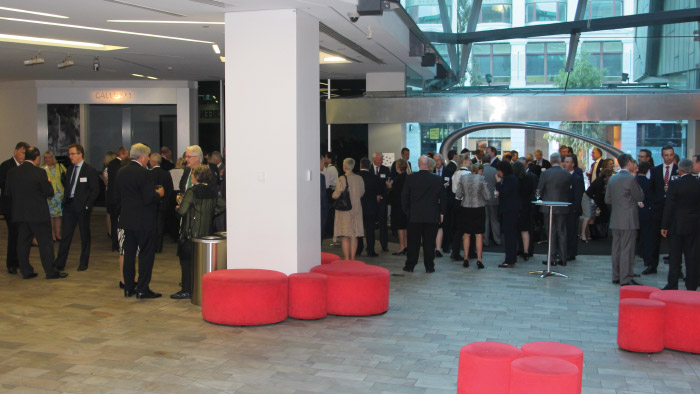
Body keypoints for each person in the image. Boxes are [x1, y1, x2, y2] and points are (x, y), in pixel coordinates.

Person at [5, 147, 67, 280]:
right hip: (38, 214)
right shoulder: (39, 172)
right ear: (37, 158)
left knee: (23, 243)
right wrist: (49, 184)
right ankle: (50, 271)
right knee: (45, 243)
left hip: (20, 213)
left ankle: (26, 271)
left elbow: (8, 193)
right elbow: (49, 192)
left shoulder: (12, 172)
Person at [115, 143, 165, 299]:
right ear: (143, 156)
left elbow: (118, 196)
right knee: (146, 255)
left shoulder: (121, 172)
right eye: (148, 156)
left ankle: (128, 287)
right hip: (144, 221)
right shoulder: (144, 173)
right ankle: (143, 288)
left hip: (127, 219)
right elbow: (148, 198)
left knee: (129, 254)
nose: (148, 159)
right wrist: (159, 194)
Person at [172, 165, 225, 299]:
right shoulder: (212, 191)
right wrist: (211, 212)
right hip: (206, 232)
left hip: (191, 232)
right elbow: (222, 205)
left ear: (196, 177)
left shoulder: (192, 191)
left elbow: (182, 211)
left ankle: (186, 289)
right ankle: (202, 288)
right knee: (201, 262)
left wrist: (178, 207)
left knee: (186, 262)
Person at [54, 144, 99, 272]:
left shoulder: (89, 170)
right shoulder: (69, 169)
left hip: (82, 207)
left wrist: (87, 205)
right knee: (66, 235)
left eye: (72, 154)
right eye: (69, 154)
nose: (70, 156)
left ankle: (84, 262)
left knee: (84, 235)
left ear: (80, 154)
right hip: (69, 205)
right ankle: (60, 263)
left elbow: (95, 190)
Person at [660, 158, 700, 290]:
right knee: (692, 256)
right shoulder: (698, 183)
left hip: (676, 225)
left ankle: (672, 284)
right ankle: (692, 285)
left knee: (675, 256)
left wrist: (664, 225)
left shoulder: (675, 184)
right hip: (694, 225)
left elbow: (669, 206)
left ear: (680, 170)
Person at [401, 156, 446, 273]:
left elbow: (404, 197)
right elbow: (443, 198)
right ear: (429, 165)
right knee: (430, 243)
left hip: (414, 216)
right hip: (432, 215)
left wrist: (407, 211)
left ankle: (410, 265)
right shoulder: (437, 179)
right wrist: (441, 212)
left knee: (413, 243)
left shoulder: (411, 178)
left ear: (418, 164)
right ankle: (429, 266)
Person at [606, 153, 644, 286]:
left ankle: (616, 275)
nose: (635, 164)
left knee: (616, 248)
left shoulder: (612, 179)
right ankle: (626, 278)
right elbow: (640, 196)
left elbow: (607, 199)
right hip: (628, 219)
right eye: (633, 161)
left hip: (615, 218)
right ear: (629, 163)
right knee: (627, 249)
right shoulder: (630, 179)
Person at [645, 145, 677, 275]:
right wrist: (654, 203)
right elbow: (650, 190)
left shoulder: (679, 170)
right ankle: (652, 266)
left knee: (675, 241)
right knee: (654, 239)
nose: (669, 157)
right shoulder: (655, 170)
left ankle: (676, 268)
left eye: (671, 155)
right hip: (657, 209)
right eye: (666, 155)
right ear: (662, 156)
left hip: (674, 211)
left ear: (673, 155)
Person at [0, 141, 29, 274]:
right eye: (23, 152)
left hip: (22, 206)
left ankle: (19, 260)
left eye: (26, 153)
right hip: (10, 206)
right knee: (13, 234)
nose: (24, 155)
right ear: (15, 151)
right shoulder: (6, 166)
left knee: (21, 235)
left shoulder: (26, 167)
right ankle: (11, 263)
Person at [537, 152, 570, 266]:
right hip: (562, 206)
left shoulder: (546, 174)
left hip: (548, 206)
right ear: (560, 161)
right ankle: (563, 258)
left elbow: (539, 189)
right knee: (562, 231)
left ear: (551, 161)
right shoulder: (567, 174)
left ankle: (551, 258)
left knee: (550, 232)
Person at [455, 163, 489, 268]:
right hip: (478, 207)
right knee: (478, 234)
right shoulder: (481, 179)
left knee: (466, 234)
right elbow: (487, 195)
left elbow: (458, 195)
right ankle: (479, 259)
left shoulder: (463, 178)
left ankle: (465, 258)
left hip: (465, 207)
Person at [332, 158, 365, 261]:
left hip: (344, 211)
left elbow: (337, 194)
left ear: (344, 167)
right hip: (356, 210)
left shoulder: (341, 178)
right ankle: (353, 258)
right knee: (354, 235)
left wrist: (332, 195)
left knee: (345, 236)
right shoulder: (359, 178)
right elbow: (362, 193)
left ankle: (346, 258)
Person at [495, 161, 521, 268]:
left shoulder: (509, 179)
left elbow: (504, 193)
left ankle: (509, 259)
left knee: (509, 236)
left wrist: (498, 183)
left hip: (509, 210)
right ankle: (511, 258)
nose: (498, 173)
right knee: (511, 235)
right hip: (512, 210)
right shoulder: (513, 178)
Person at [148, 153, 174, 253]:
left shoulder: (148, 173)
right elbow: (170, 189)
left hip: (152, 203)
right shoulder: (166, 173)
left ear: (153, 162)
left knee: (151, 225)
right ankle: (158, 247)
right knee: (160, 226)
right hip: (163, 203)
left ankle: (151, 246)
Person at [356, 158, 381, 257]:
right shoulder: (374, 177)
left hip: (359, 206)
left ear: (360, 165)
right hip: (371, 207)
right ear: (370, 166)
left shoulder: (356, 177)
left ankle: (358, 249)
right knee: (370, 230)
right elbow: (378, 193)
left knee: (359, 229)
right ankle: (370, 250)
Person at [450, 154, 472, 260]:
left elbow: (454, 189)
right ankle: (470, 252)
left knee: (458, 229)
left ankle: (455, 252)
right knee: (468, 229)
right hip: (466, 202)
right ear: (465, 161)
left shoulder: (456, 173)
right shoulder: (468, 174)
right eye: (469, 159)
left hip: (456, 202)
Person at [513, 160, 537, 260]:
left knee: (516, 230)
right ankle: (526, 251)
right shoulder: (530, 178)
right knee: (525, 230)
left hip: (516, 206)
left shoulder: (515, 179)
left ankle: (518, 249)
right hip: (527, 206)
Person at [106, 146, 128, 252]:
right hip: (118, 198)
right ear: (122, 154)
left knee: (114, 222)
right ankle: (120, 244)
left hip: (110, 197)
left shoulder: (111, 164)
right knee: (119, 222)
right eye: (127, 154)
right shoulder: (121, 165)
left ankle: (114, 245)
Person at [564, 155, 585, 261]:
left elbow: (578, 194)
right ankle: (564, 251)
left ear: (573, 164)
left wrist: (575, 208)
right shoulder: (563, 176)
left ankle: (571, 253)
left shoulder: (576, 178)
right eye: (564, 161)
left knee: (571, 231)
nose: (565, 164)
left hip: (572, 209)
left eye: (568, 162)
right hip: (563, 208)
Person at [42, 150, 67, 242]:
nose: (48, 159)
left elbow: (67, 177)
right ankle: (51, 234)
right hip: (50, 195)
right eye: (46, 158)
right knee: (51, 216)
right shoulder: (42, 168)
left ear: (53, 158)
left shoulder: (60, 166)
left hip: (60, 195)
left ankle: (58, 234)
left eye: (50, 157)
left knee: (59, 216)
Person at [370, 152, 391, 252]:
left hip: (382, 201)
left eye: (382, 160)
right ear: (373, 159)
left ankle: (384, 245)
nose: (381, 162)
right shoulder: (369, 170)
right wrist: (375, 195)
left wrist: (381, 195)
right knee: (371, 224)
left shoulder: (385, 169)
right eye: (379, 160)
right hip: (371, 201)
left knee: (383, 224)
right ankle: (370, 246)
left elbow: (388, 185)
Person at [389, 159, 409, 255]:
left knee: (400, 227)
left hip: (399, 206)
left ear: (398, 167)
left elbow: (396, 193)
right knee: (405, 226)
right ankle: (406, 245)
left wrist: (390, 187)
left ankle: (401, 246)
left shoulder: (399, 179)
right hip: (406, 206)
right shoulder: (407, 177)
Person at [482, 153, 502, 246]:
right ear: (490, 160)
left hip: (483, 198)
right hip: (493, 198)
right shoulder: (495, 171)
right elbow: (499, 182)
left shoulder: (481, 170)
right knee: (494, 220)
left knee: (485, 220)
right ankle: (497, 239)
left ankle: (485, 240)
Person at [636, 161, 653, 269]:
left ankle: (637, 251)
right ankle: (645, 256)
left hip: (634, 212)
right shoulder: (649, 183)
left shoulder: (633, 181)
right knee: (646, 235)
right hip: (646, 211)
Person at [101, 151, 116, 239]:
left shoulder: (105, 170)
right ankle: (111, 231)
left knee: (108, 212)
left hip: (107, 191)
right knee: (110, 212)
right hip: (111, 193)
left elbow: (105, 182)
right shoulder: (109, 170)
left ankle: (109, 231)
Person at [320, 155, 329, 239]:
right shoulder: (321, 177)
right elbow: (323, 195)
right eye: (323, 162)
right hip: (322, 209)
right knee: (321, 232)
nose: (324, 164)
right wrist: (327, 208)